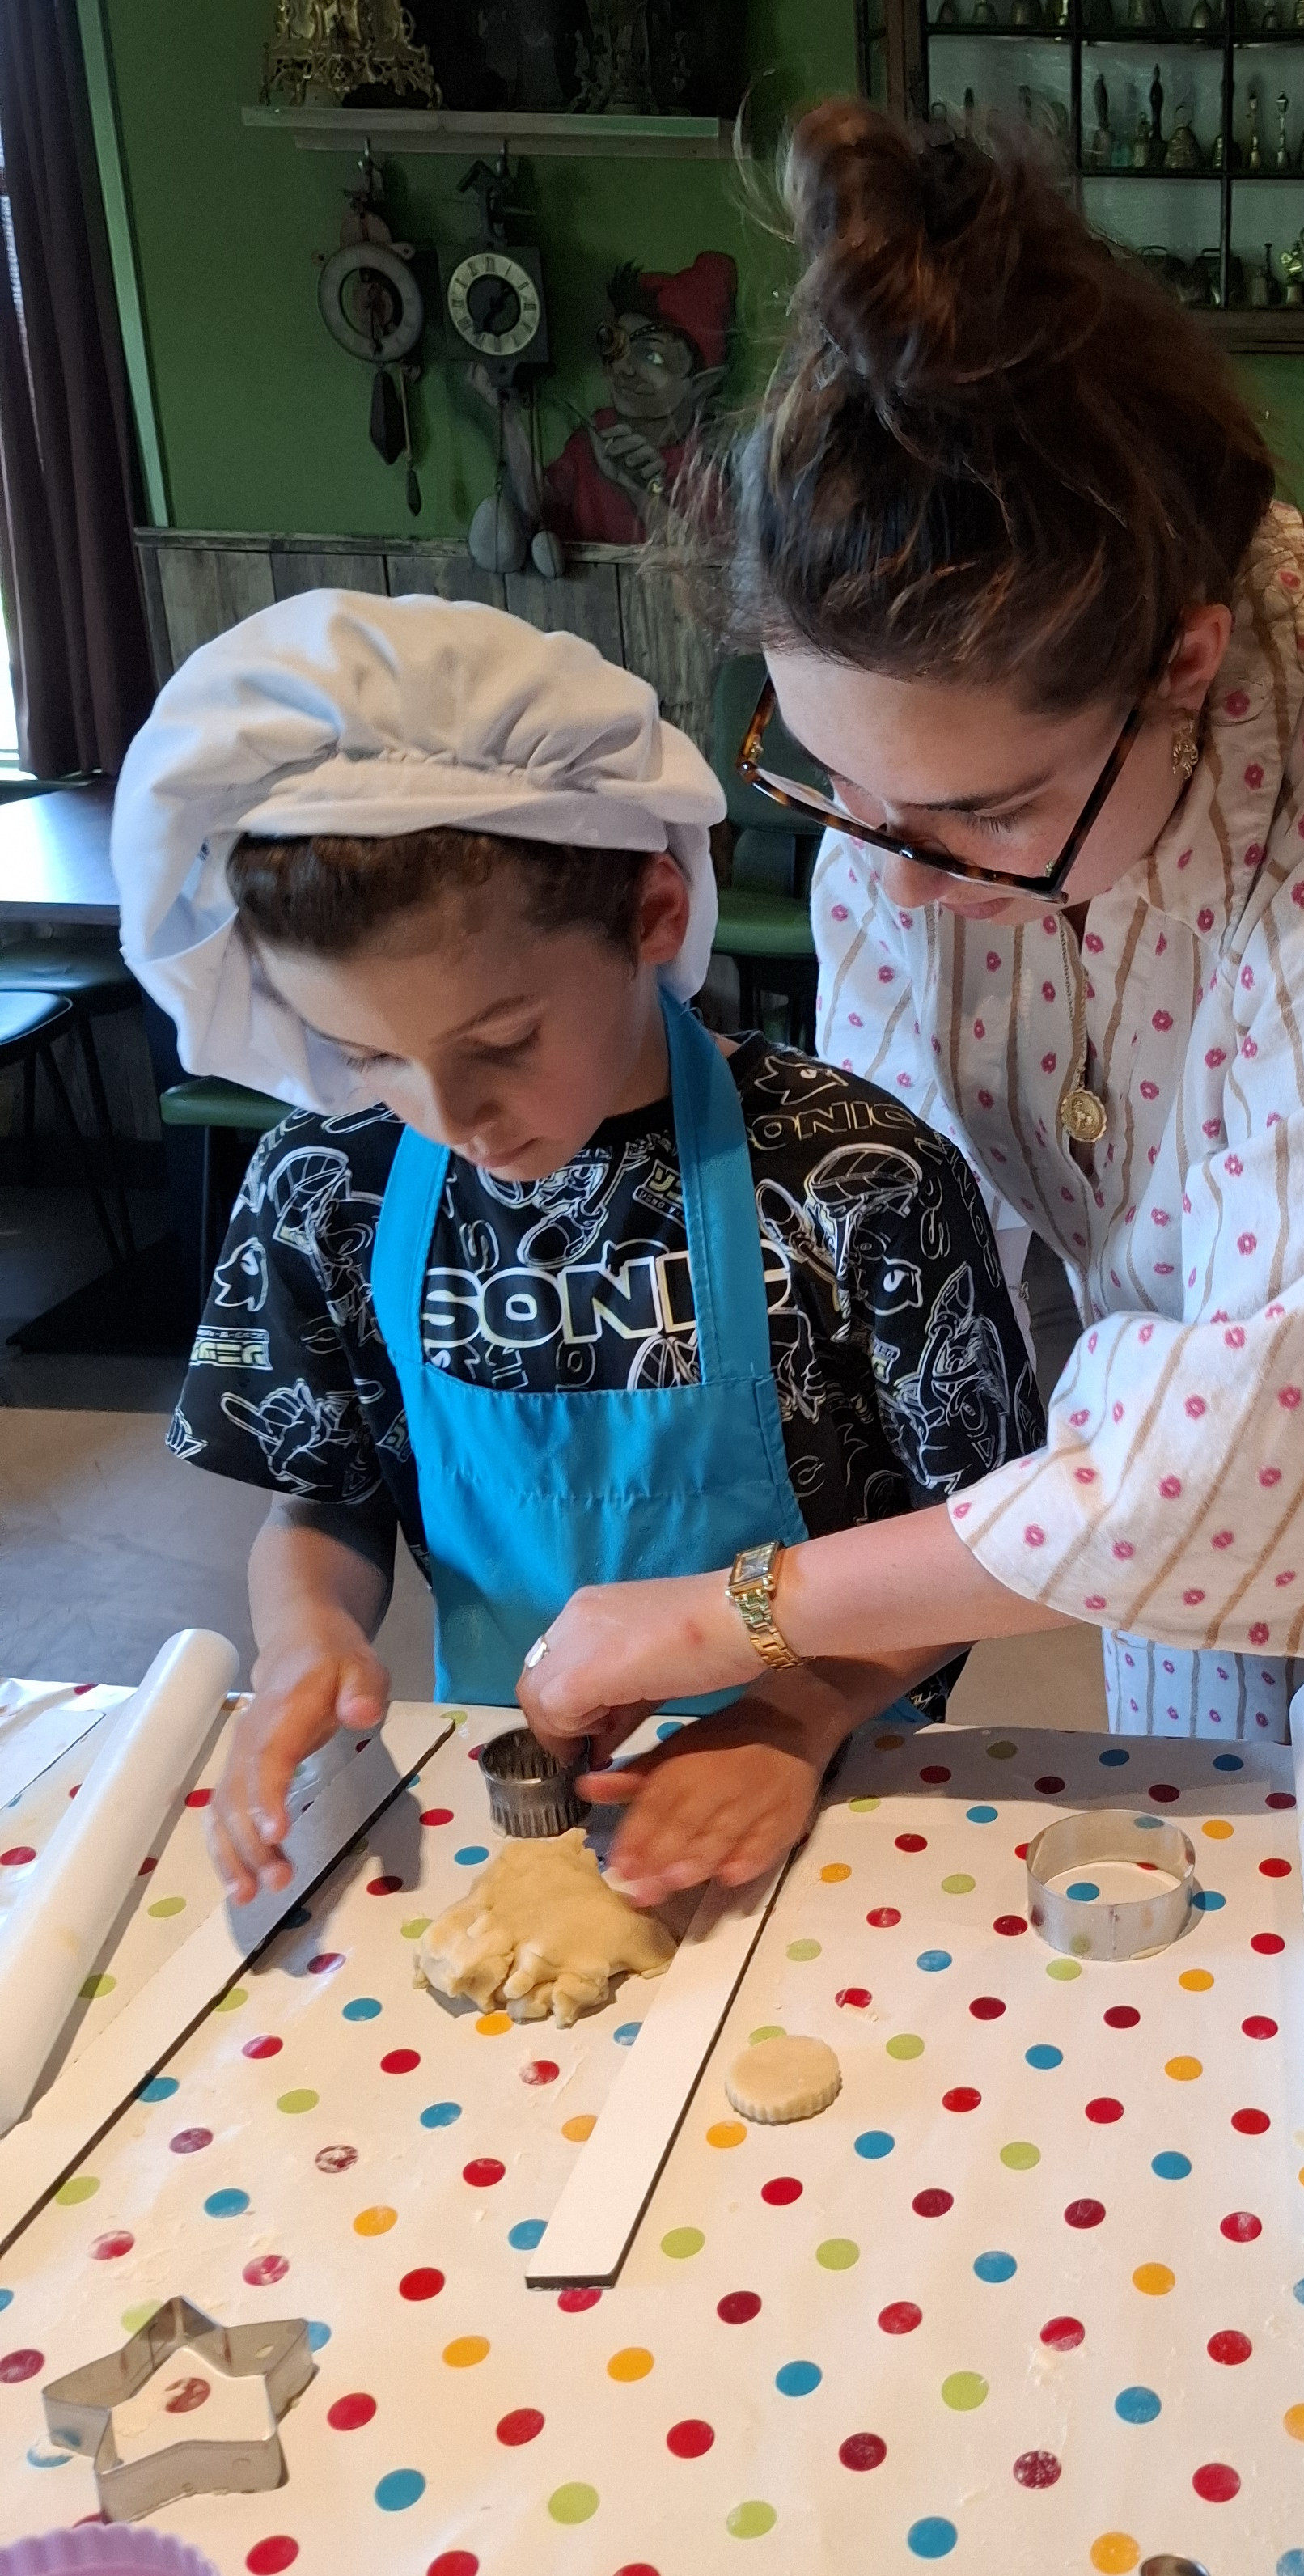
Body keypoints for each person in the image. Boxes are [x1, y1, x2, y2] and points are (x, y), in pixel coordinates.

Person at [514, 99, 1304, 1768]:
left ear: (1190, 674)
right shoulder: (906, 782)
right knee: (1231, 1855)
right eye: (845, 792)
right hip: (1171, 1443)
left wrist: (747, 1613)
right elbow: (914, 1224)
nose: (904, 881)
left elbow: (1276, 1445)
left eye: (988, 817)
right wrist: (823, 1681)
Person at [116, 592, 1038, 1909]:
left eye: (499, 1044)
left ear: (654, 910)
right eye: (369, 1055)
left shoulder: (856, 1181)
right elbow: (324, 1499)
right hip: (518, 1800)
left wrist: (790, 1716)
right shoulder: (326, 1183)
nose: (452, 1117)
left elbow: (994, 1548)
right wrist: (305, 1637)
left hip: (847, 1787)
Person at [540, 251, 736, 548]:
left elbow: (699, 573)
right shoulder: (594, 436)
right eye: (616, 345)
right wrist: (506, 415)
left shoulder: (706, 469)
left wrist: (639, 490)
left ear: (703, 384)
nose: (621, 367)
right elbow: (543, 509)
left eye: (651, 356)